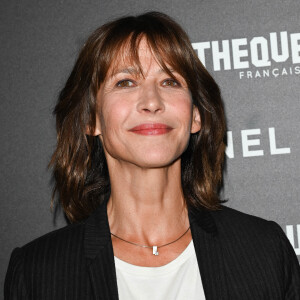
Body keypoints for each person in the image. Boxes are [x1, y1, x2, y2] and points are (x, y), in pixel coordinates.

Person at [4, 11, 300, 300]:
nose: (152, 102)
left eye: (169, 81)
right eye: (126, 82)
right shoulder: (36, 273)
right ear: (92, 119)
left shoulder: (265, 250)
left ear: (195, 115)